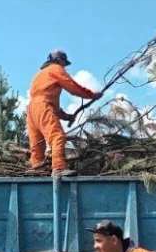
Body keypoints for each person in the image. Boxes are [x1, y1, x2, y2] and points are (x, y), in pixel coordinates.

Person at [27, 49, 102, 177]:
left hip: (32, 109)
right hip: (43, 105)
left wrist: (66, 116)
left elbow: (50, 103)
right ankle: (58, 168)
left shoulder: (40, 75)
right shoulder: (56, 69)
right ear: (58, 60)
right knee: (57, 136)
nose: (64, 66)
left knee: (37, 143)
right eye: (63, 62)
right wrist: (91, 95)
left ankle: (36, 168)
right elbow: (72, 87)